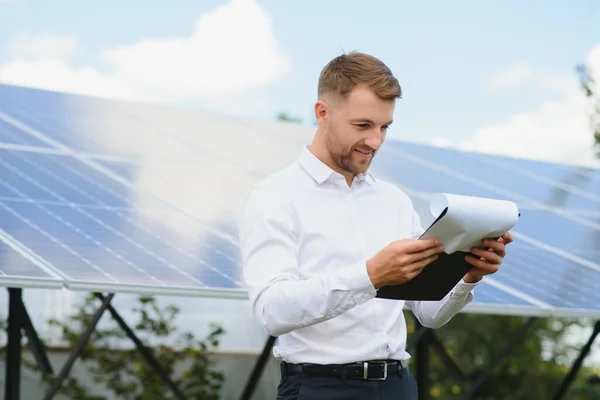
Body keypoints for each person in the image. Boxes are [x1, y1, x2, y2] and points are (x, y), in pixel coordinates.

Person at [239, 51, 513, 400]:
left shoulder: (394, 201)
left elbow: (428, 314)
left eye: (384, 127)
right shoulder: (275, 197)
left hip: (397, 387)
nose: (375, 141)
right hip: (318, 390)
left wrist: (469, 275)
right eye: (362, 125)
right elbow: (272, 311)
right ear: (322, 113)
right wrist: (371, 275)